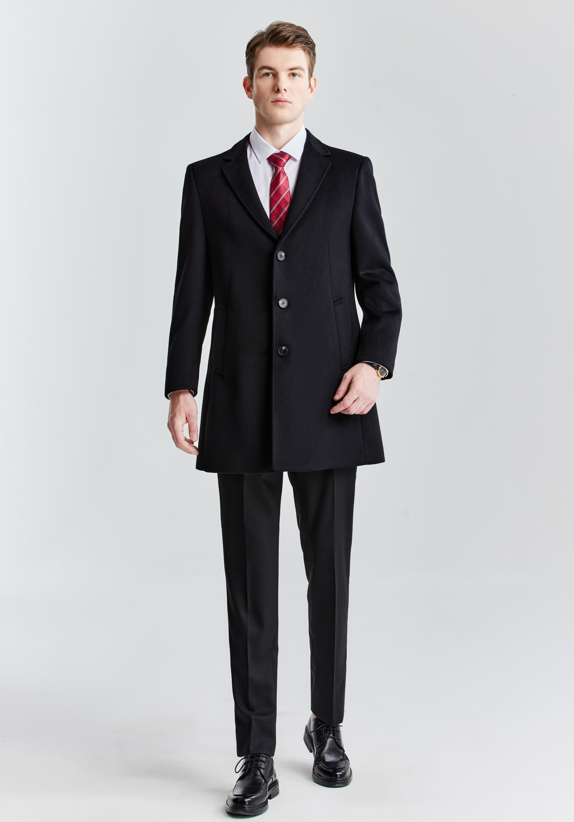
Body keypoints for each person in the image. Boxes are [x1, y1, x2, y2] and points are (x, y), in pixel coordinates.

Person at [165, 20, 402, 817]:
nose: (280, 85)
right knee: (251, 590)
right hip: (239, 405)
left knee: (327, 579)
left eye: (294, 72)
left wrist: (373, 365)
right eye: (268, 73)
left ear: (312, 85)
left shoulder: (348, 175)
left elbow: (382, 290)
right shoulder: (207, 181)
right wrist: (181, 387)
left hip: (331, 406)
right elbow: (191, 293)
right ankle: (255, 753)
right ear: (248, 85)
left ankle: (327, 727)